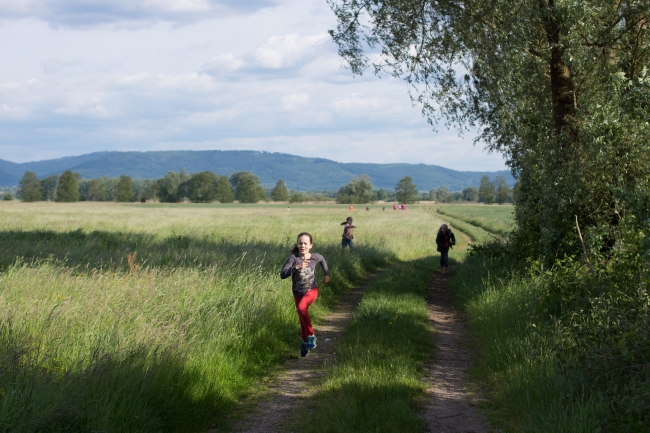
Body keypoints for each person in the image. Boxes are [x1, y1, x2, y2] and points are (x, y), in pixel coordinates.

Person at [280, 233, 330, 357]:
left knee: (302, 308)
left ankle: (311, 336)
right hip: (297, 292)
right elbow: (283, 274)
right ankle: (304, 342)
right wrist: (296, 267)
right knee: (301, 317)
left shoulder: (314, 257)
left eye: (305, 243)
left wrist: (326, 274)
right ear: (297, 244)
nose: (302, 245)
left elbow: (322, 259)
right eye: (300, 243)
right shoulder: (293, 257)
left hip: (311, 290)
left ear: (310, 245)